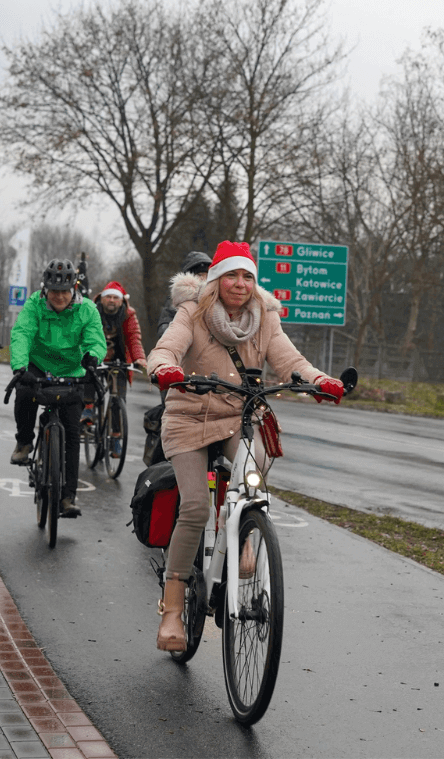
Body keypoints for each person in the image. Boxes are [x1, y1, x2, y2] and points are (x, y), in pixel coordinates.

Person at [147, 240, 346, 652]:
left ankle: (245, 538)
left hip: (240, 417)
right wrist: (165, 367)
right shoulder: (192, 313)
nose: (240, 284)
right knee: (197, 506)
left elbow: (290, 361)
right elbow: (168, 346)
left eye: (248, 277)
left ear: (255, 283)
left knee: (251, 487)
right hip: (189, 417)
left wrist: (320, 381)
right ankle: (171, 607)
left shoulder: (264, 318)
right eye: (232, 276)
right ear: (217, 279)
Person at [8, 259, 107, 518]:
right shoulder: (34, 305)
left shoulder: (87, 310)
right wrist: (20, 367)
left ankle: (67, 498)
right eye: (54, 291)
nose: (60, 296)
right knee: (25, 393)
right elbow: (22, 334)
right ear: (45, 289)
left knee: (72, 435)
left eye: (65, 291)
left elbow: (95, 339)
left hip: (73, 371)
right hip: (38, 366)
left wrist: (92, 357)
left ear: (74, 288)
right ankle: (24, 442)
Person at [90, 281, 148, 457]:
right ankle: (87, 410)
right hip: (95, 357)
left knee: (118, 398)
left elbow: (134, 338)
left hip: (119, 361)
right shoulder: (93, 312)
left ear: (122, 301)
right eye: (109, 296)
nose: (112, 300)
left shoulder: (129, 315)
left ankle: (115, 439)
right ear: (102, 298)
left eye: (116, 297)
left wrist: (139, 358)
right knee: (89, 380)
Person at [154, 250, 211, 339]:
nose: (204, 280)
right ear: (189, 278)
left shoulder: (220, 297)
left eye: (207, 276)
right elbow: (165, 332)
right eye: (199, 275)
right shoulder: (176, 301)